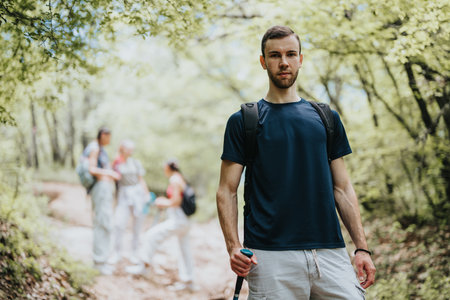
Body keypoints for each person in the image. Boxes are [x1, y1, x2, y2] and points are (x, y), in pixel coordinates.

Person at [216, 25, 376, 299]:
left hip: (330, 252)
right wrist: (233, 246)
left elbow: (343, 188)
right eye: (275, 55)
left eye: (291, 54)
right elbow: (226, 190)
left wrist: (361, 247)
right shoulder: (244, 121)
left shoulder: (327, 118)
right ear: (263, 61)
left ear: (301, 59)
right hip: (269, 256)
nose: (284, 62)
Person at [126, 159, 197, 292]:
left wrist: (162, 202)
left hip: (178, 220)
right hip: (184, 220)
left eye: (164, 168)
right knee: (184, 249)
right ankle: (189, 281)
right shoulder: (180, 178)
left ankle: (144, 267)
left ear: (169, 168)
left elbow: (176, 201)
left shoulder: (175, 180)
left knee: (151, 235)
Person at [85, 127, 120, 275]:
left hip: (104, 189)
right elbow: (92, 169)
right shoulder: (94, 148)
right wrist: (110, 173)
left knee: (105, 223)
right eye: (109, 136)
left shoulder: (100, 149)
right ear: (103, 135)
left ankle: (103, 260)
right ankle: (99, 262)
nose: (110, 140)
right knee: (101, 223)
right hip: (100, 188)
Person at [109, 139, 150, 264]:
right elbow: (114, 180)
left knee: (137, 225)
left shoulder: (135, 163)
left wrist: (146, 194)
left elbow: (140, 179)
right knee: (119, 224)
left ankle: (134, 252)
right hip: (124, 194)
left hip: (137, 194)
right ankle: (117, 253)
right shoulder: (117, 163)